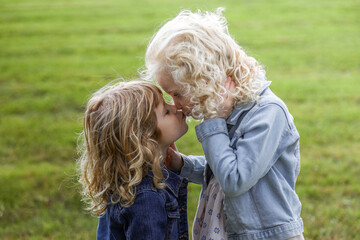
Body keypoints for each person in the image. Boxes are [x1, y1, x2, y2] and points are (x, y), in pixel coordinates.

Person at [143, 8, 305, 240]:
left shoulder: (268, 113)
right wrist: (182, 165)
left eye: (177, 93)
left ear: (203, 79)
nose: (176, 105)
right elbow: (220, 171)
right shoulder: (230, 108)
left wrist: (214, 121)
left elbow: (234, 179)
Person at [77, 80, 190, 240]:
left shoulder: (124, 182)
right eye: (166, 111)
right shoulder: (147, 199)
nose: (175, 108)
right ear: (145, 138)